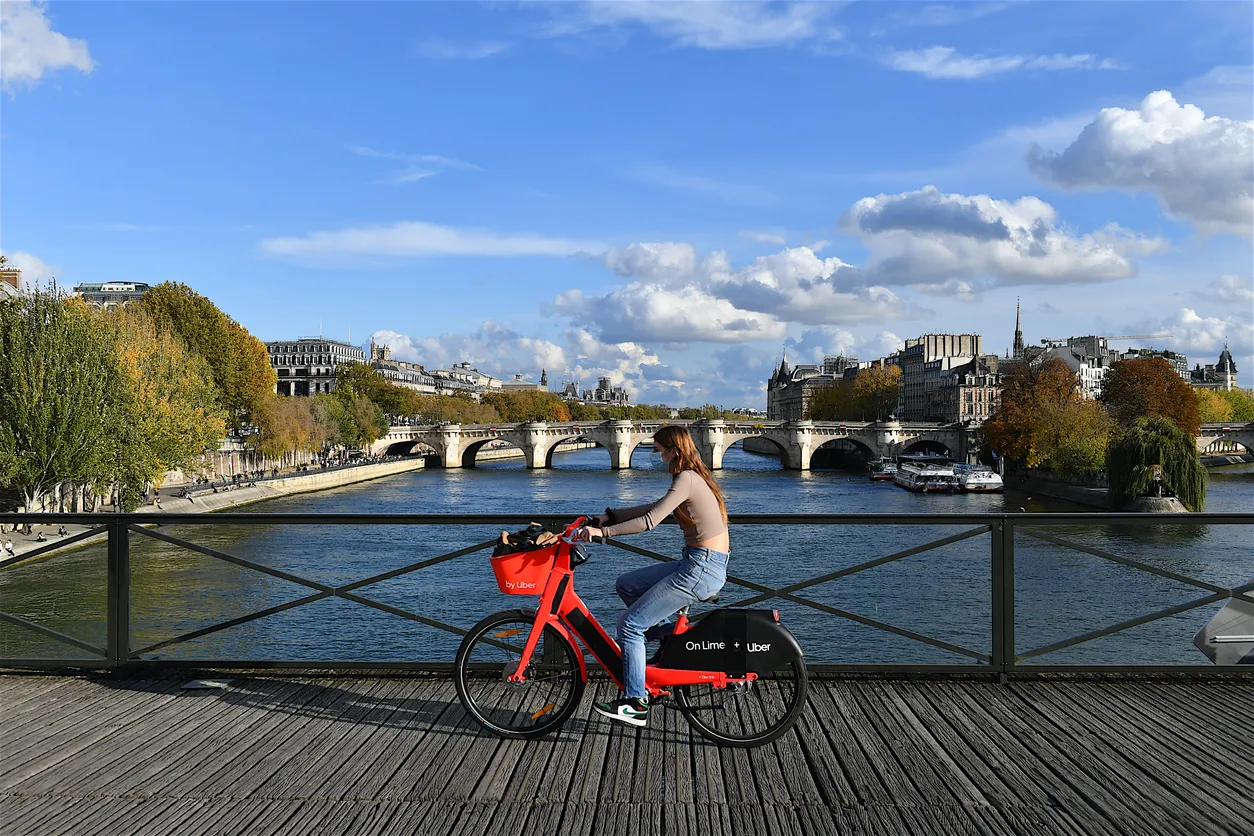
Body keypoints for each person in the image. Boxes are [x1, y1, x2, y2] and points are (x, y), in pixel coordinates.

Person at [576, 425, 730, 728]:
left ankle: (635, 703)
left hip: (702, 568)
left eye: (657, 449)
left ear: (673, 450)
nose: (654, 454)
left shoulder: (686, 478)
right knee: (627, 584)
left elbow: (650, 521)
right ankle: (666, 645)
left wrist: (601, 533)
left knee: (630, 625)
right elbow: (656, 508)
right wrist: (612, 514)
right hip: (699, 563)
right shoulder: (690, 477)